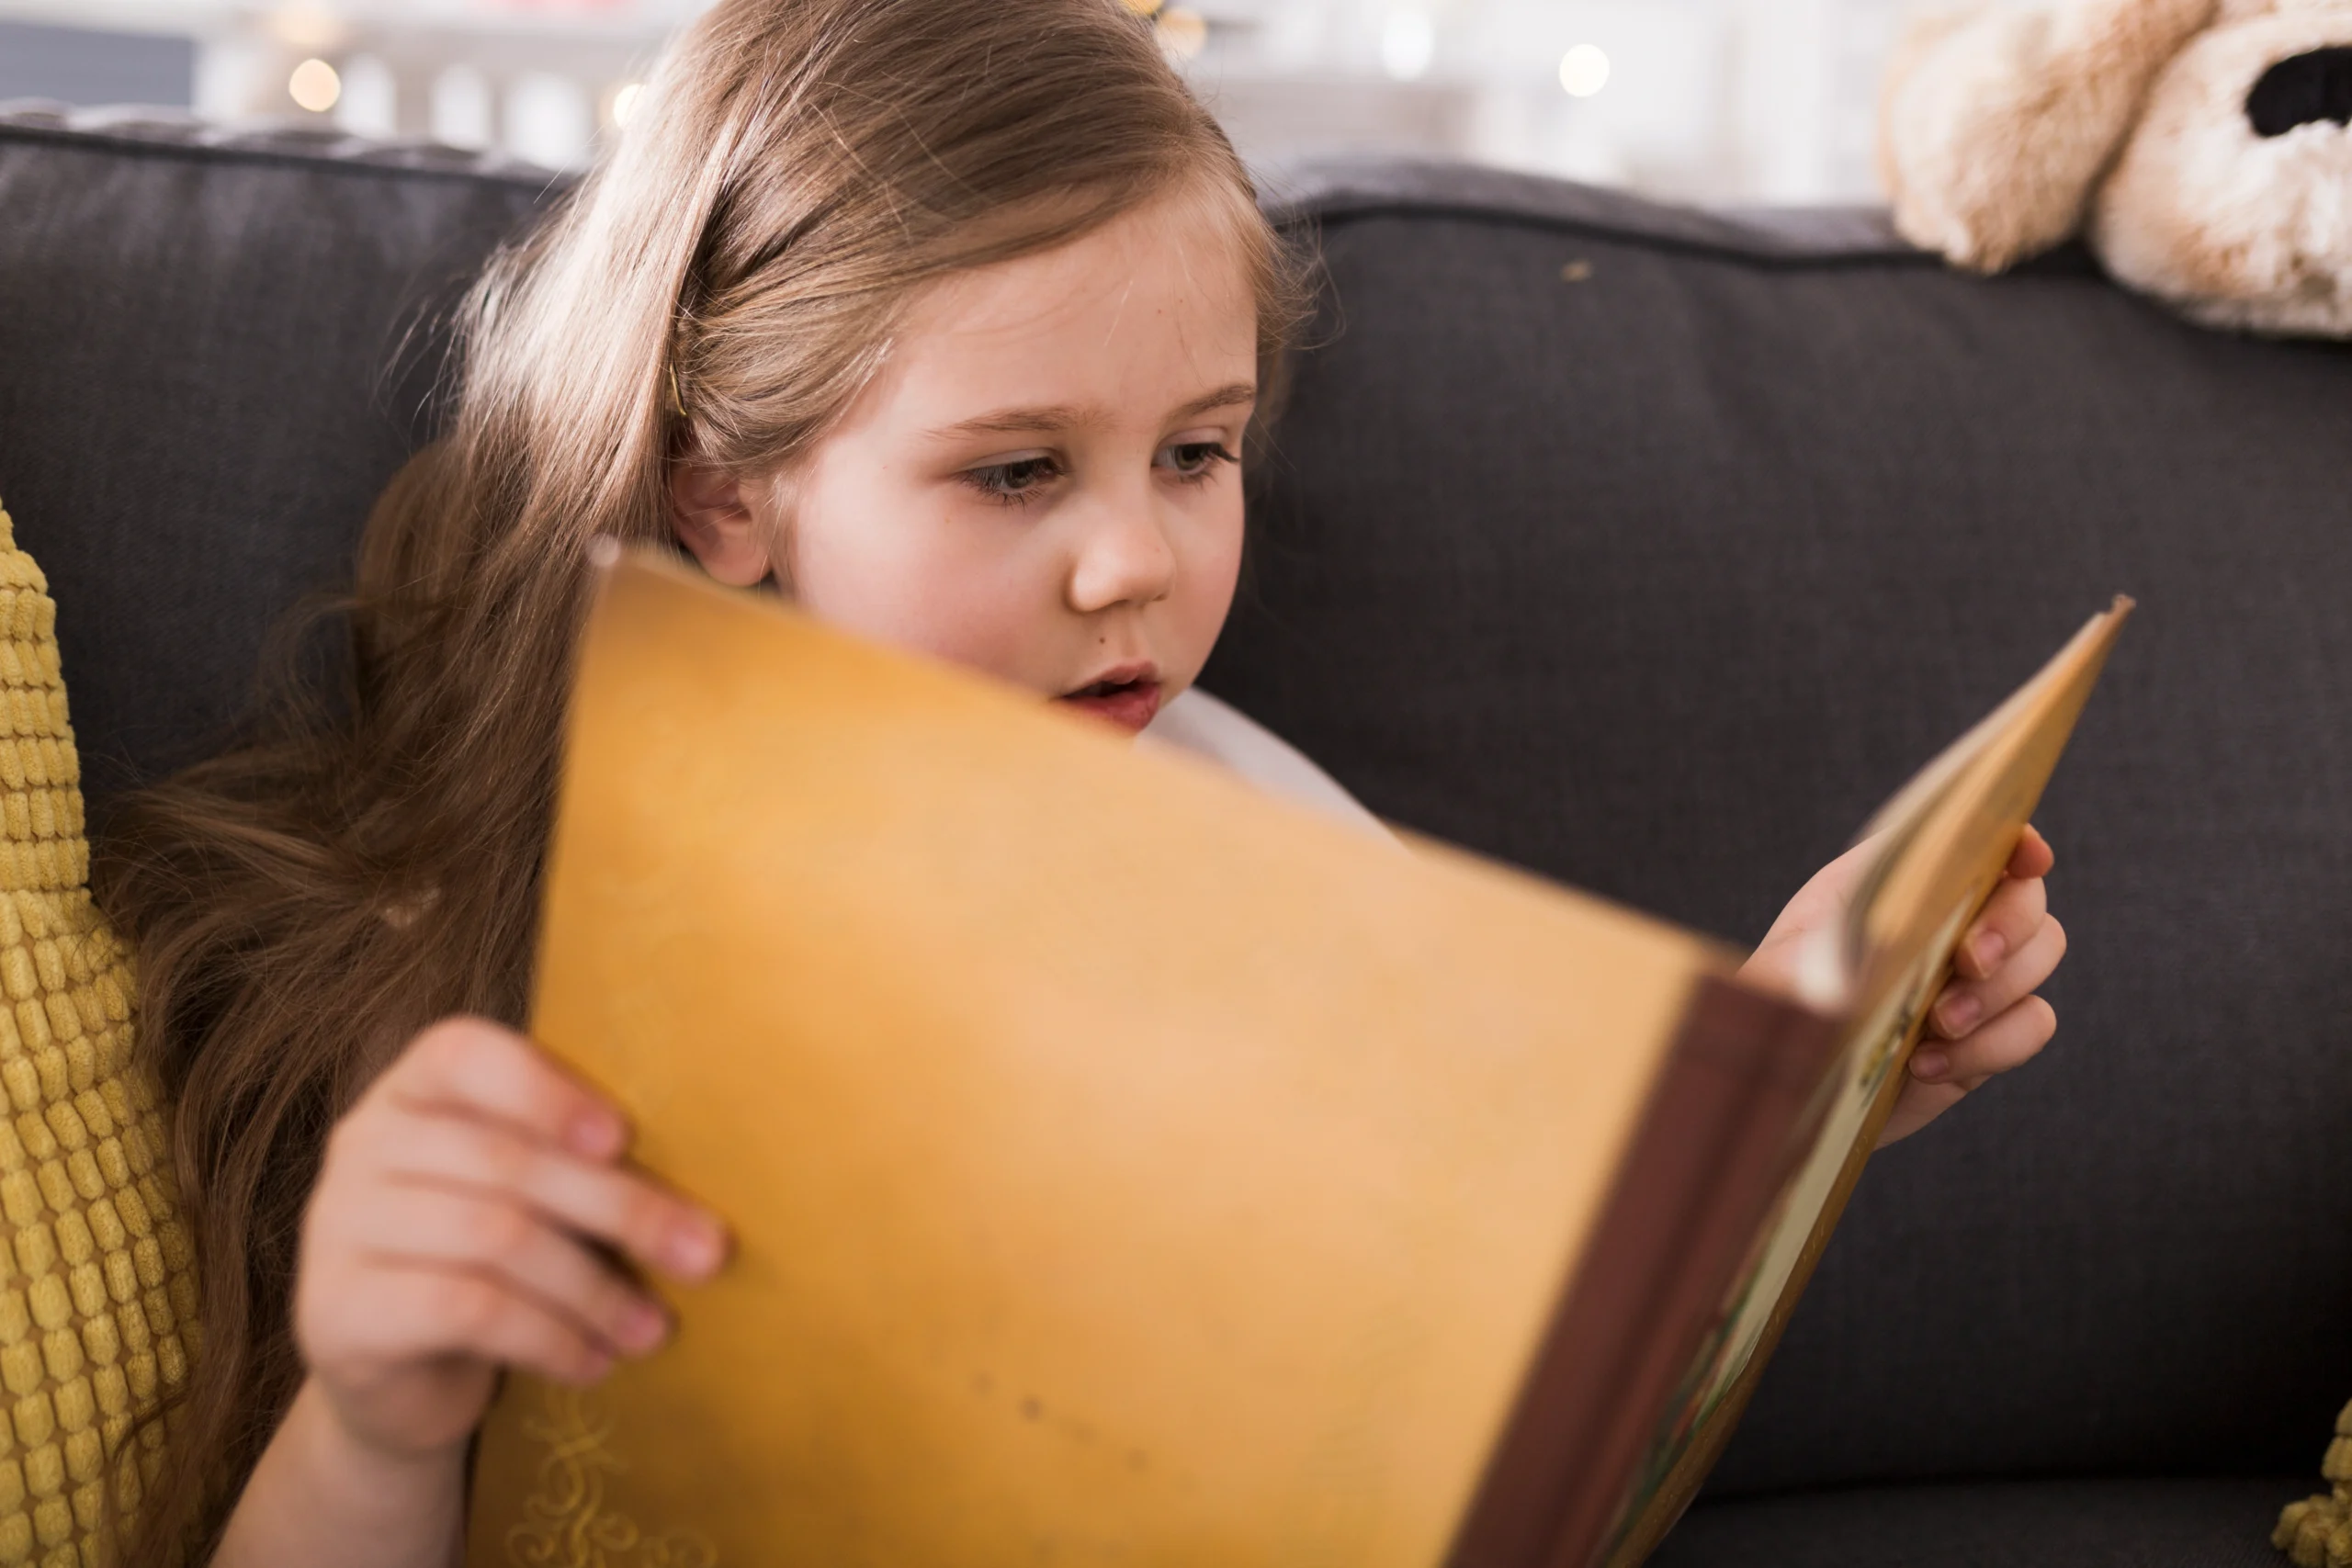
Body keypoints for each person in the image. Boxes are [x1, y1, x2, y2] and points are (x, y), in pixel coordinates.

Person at [91, 0, 2067, 1561]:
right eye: (1015, 469)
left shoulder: (1236, 811)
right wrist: (374, 1413)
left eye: (1193, 455)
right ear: (726, 492)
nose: (1137, 563)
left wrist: (1802, 1114)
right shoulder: (514, 936)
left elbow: (1474, 1330)